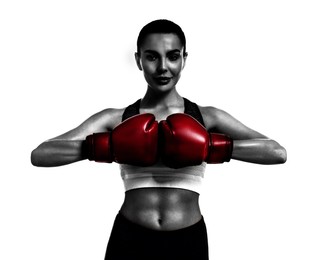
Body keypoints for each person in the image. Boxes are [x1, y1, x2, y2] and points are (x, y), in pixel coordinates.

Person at [31, 19, 287, 260]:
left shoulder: (206, 117)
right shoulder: (118, 118)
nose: (163, 67)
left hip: (188, 239)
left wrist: (212, 147)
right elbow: (40, 154)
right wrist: (103, 147)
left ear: (184, 59)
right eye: (152, 56)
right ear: (138, 60)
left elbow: (277, 152)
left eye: (173, 56)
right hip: (129, 237)